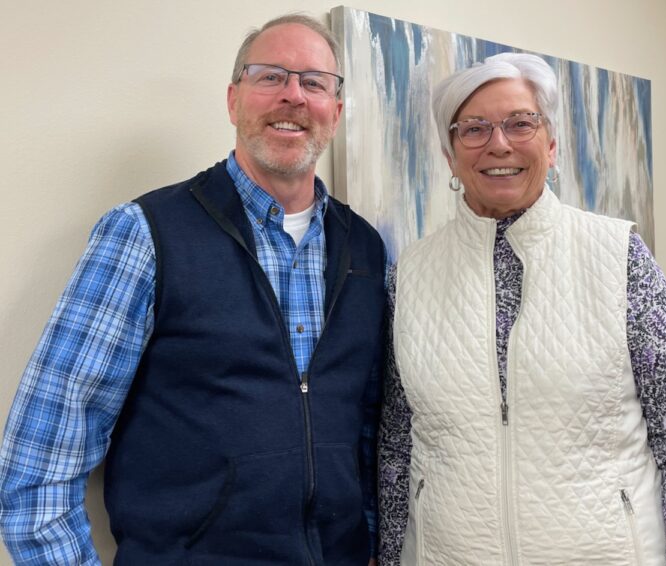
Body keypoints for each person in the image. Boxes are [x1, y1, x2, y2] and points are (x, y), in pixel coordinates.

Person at [0, 14, 385, 566]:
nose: (294, 96)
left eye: (314, 82)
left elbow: (369, 430)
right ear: (233, 100)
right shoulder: (145, 234)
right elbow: (40, 461)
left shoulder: (366, 248)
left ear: (336, 112)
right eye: (270, 76)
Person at [378, 52, 666, 565]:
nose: (499, 143)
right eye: (473, 129)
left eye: (520, 122)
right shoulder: (410, 275)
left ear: (551, 143)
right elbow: (396, 445)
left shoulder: (618, 257)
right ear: (450, 156)